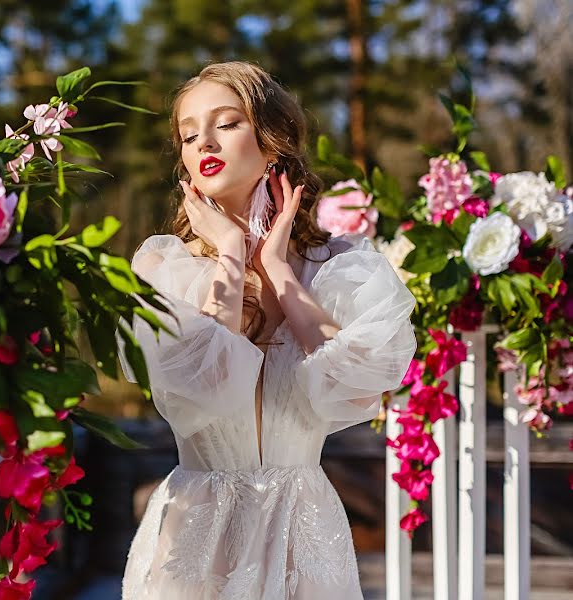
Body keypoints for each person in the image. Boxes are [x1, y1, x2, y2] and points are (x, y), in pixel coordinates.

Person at [118, 61, 417, 599]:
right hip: (197, 540)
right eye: (188, 134)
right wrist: (231, 253)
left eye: (226, 123)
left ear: (272, 142)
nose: (204, 140)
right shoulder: (163, 271)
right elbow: (200, 392)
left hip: (304, 536)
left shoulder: (336, 269)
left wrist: (279, 269)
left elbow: (359, 386)